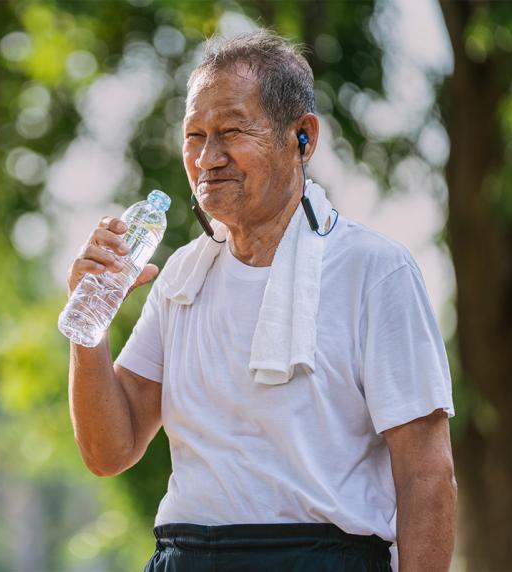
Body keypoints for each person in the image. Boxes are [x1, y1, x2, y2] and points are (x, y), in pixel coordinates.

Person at [65, 31, 456, 572]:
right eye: (194, 136)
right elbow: (110, 451)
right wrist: (91, 324)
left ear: (303, 136)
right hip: (186, 557)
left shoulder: (375, 270)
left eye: (231, 132)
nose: (207, 159)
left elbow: (426, 474)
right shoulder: (183, 275)